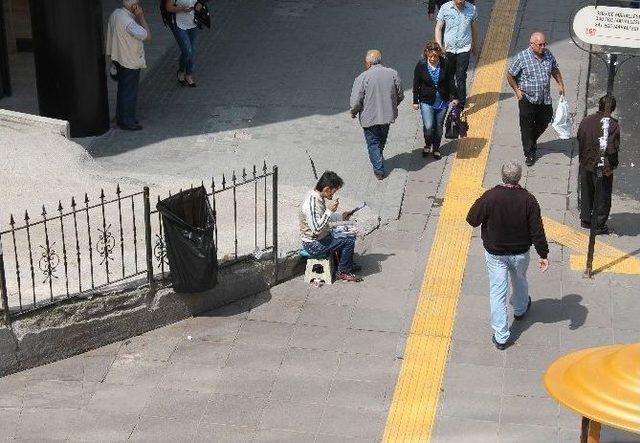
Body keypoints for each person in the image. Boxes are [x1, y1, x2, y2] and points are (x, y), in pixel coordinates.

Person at [466, 161, 549, 350]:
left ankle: (501, 336)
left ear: (502, 176)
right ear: (519, 177)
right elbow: (537, 230)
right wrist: (543, 254)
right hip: (520, 252)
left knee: (497, 291)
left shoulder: (491, 196)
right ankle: (520, 309)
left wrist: (482, 202)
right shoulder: (529, 200)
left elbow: (472, 219)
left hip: (495, 253)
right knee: (519, 280)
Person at [506, 32, 565, 167]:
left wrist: (560, 84)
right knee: (526, 126)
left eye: (545, 44)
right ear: (532, 44)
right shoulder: (522, 57)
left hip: (544, 98)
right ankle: (529, 153)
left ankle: (530, 140)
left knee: (546, 119)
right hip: (527, 98)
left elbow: (554, 69)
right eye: (540, 45)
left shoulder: (548, 55)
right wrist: (517, 91)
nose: (543, 47)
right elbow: (510, 75)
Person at [350, 50, 404, 180]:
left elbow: (356, 100)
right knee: (381, 139)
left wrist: (353, 111)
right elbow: (400, 94)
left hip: (369, 118)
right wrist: (392, 106)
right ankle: (378, 158)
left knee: (373, 143)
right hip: (386, 116)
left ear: (368, 63)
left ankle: (379, 169)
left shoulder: (362, 77)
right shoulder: (393, 73)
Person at [299, 171, 362, 282]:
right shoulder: (311, 204)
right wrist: (329, 211)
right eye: (333, 191)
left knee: (348, 232)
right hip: (313, 244)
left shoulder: (317, 196)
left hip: (321, 237)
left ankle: (346, 264)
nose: (333, 195)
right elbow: (317, 229)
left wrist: (341, 216)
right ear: (327, 189)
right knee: (349, 240)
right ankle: (343, 271)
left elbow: (323, 218)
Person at [578, 95, 620, 235]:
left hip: (585, 162)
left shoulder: (586, 121)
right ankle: (599, 225)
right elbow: (612, 150)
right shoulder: (613, 126)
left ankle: (586, 219)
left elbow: (580, 138)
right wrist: (612, 166)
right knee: (602, 196)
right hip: (602, 166)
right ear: (612, 109)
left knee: (587, 192)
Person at [106, 0, 151, 131]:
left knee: (123, 90)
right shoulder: (130, 23)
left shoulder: (116, 14)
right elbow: (148, 36)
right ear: (134, 5)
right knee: (130, 92)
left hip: (118, 58)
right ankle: (127, 121)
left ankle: (121, 118)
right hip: (129, 61)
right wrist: (141, 17)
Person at [413, 41, 459, 158]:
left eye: (435, 56)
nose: (432, 58)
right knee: (428, 126)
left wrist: (455, 97)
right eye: (430, 56)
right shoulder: (421, 65)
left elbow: (450, 81)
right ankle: (428, 144)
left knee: (438, 127)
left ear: (439, 53)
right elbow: (416, 84)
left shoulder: (446, 64)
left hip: (442, 101)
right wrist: (415, 101)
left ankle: (436, 147)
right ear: (426, 54)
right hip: (426, 101)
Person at [434, 0, 479, 107]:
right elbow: (438, 28)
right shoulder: (445, 8)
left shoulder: (472, 9)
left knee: (461, 76)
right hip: (449, 49)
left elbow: (475, 29)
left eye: (462, 1)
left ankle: (462, 103)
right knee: (448, 74)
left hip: (464, 49)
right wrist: (439, 46)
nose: (460, 2)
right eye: (457, 1)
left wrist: (475, 45)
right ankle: (455, 95)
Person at [164, 0, 203, 87]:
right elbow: (168, 7)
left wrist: (200, 4)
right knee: (187, 51)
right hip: (179, 24)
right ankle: (181, 71)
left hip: (193, 23)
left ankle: (188, 74)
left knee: (192, 50)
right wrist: (182, 9)